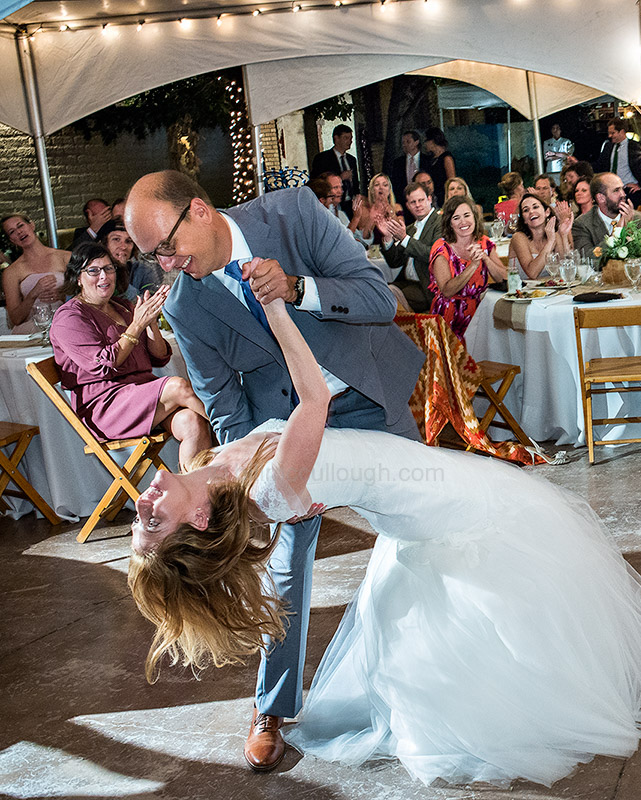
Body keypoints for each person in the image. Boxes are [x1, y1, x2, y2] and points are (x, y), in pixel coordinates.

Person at [125, 285, 641, 787]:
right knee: (504, 547)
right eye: (153, 522)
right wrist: (275, 305)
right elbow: (314, 399)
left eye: (137, 518)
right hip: (430, 495)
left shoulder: (204, 463)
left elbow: (191, 400)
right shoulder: (269, 490)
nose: (142, 502)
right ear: (197, 523)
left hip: (418, 481)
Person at [124, 169, 425, 773]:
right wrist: (259, 491)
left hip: (367, 396)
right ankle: (272, 707)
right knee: (284, 564)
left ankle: (430, 672)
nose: (167, 264)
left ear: (201, 211)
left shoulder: (291, 214)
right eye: (153, 255)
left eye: (166, 246)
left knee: (417, 527)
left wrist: (298, 289)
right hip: (281, 433)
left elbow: (376, 298)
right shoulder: (185, 302)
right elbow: (222, 400)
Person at [50, 243, 211, 464]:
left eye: (108, 269)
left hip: (141, 392)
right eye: (93, 270)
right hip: (105, 405)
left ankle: (197, 494)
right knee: (178, 386)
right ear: (78, 277)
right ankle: (237, 436)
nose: (103, 276)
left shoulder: (122, 306)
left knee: (191, 422)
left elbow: (159, 356)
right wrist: (137, 324)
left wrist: (151, 324)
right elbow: (102, 366)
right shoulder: (69, 317)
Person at [428, 195, 507, 339]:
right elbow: (447, 290)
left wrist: (486, 259)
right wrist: (473, 266)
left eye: (466, 215)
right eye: (456, 218)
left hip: (480, 313)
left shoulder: (484, 242)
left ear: (474, 218)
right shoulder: (441, 248)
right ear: (449, 223)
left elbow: (504, 277)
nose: (463, 222)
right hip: (450, 316)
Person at [1, 213, 70, 333]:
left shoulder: (65, 257)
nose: (19, 232)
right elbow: (15, 319)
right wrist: (33, 294)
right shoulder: (11, 272)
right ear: (12, 240)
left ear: (31, 225)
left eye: (20, 225)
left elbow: (87, 295)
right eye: (12, 232)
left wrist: (63, 296)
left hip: (66, 323)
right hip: (32, 330)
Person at [381, 182, 441, 313]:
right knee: (378, 291)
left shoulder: (440, 223)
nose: (418, 205)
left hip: (428, 287)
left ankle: (409, 327)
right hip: (409, 283)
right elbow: (394, 262)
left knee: (389, 295)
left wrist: (405, 238)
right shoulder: (409, 229)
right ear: (408, 206)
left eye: (421, 200)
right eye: (413, 202)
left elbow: (433, 255)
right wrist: (387, 238)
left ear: (429, 199)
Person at [571, 173, 641, 253]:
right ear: (601, 198)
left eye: (622, 189)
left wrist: (630, 229)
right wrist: (617, 234)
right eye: (616, 190)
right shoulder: (582, 224)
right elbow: (588, 258)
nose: (623, 194)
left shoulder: (639, 218)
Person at [96, 218, 163, 300]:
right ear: (104, 244)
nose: (123, 247)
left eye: (128, 241)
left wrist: (121, 272)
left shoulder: (144, 271)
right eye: (116, 239)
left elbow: (148, 302)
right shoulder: (94, 272)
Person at [510, 192, 572, 279]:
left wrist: (564, 236)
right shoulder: (518, 237)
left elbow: (567, 268)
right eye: (526, 210)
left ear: (547, 212)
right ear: (524, 219)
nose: (531, 211)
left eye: (535, 207)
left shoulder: (554, 235)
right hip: (522, 290)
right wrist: (550, 242)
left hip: (550, 289)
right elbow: (532, 273)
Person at [595, 117, 641, 208]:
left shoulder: (634, 146)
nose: (610, 136)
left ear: (622, 131)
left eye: (613, 133)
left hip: (629, 190)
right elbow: (600, 165)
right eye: (609, 133)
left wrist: (640, 185)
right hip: (611, 190)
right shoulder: (608, 147)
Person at [310, 124, 359, 216]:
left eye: (351, 138)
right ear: (336, 139)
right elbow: (317, 181)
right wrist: (340, 177)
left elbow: (355, 181)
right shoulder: (323, 158)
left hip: (350, 203)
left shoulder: (351, 159)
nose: (350, 141)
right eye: (346, 138)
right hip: (333, 202)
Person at [351, 173, 402, 246]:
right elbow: (364, 238)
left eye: (385, 185)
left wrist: (390, 211)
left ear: (389, 190)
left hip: (393, 251)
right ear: (372, 190)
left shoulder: (397, 207)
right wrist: (371, 218)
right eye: (377, 185)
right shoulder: (365, 209)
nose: (381, 188)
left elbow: (401, 235)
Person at [422, 127, 456, 206]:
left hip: (443, 198)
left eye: (426, 141)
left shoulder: (446, 158)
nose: (425, 144)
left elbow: (452, 180)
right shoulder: (431, 159)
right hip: (433, 198)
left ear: (432, 141)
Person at [392, 129, 427, 198]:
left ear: (416, 142)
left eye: (408, 142)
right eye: (403, 143)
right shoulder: (398, 162)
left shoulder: (427, 160)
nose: (405, 145)